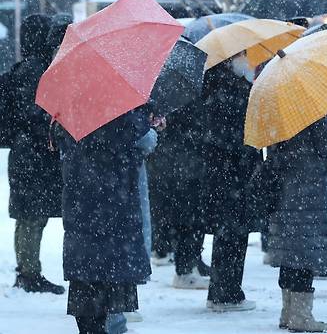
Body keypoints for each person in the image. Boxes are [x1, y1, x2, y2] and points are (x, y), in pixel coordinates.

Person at [57, 109, 153, 334]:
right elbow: (124, 145)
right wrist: (145, 134)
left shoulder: (72, 108)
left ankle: (99, 324)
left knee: (88, 276)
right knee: (107, 273)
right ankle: (109, 322)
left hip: (82, 203)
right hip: (110, 203)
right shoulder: (116, 110)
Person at [268, 115, 327, 333]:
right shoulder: (315, 112)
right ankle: (300, 316)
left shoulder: (280, 110)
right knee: (304, 253)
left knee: (291, 251)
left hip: (286, 189)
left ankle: (288, 311)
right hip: (310, 192)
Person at [5, 13, 65, 294]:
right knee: (32, 215)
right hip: (33, 154)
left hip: (25, 153)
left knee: (30, 214)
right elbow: (35, 114)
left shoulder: (23, 68)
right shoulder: (36, 71)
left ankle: (28, 271)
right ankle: (29, 274)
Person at [203, 53, 261, 312]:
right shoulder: (231, 91)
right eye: (242, 55)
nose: (246, 60)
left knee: (229, 235)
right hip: (234, 175)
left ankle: (223, 290)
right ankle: (226, 293)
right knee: (233, 234)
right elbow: (234, 136)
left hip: (225, 175)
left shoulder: (214, 86)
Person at [148, 100, 210, 289]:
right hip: (182, 159)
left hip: (175, 158)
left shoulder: (169, 91)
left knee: (183, 214)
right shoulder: (182, 98)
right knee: (187, 215)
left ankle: (187, 263)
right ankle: (185, 268)